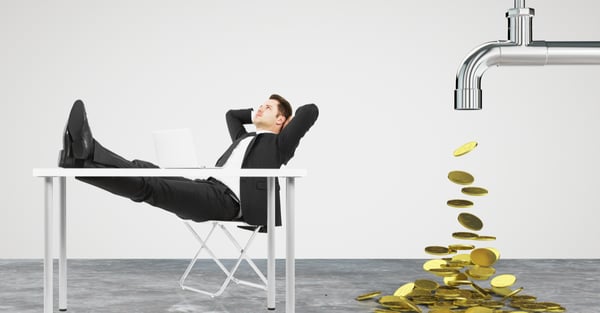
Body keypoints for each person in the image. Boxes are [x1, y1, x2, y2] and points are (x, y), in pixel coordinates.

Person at [58, 94, 319, 227]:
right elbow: (231, 116)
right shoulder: (243, 138)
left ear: (281, 120)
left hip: (228, 202)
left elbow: (310, 111)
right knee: (145, 168)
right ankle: (82, 160)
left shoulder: (279, 146)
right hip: (207, 186)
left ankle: (85, 155)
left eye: (268, 107)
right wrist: (259, 115)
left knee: (152, 186)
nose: (261, 107)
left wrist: (280, 122)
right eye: (260, 105)